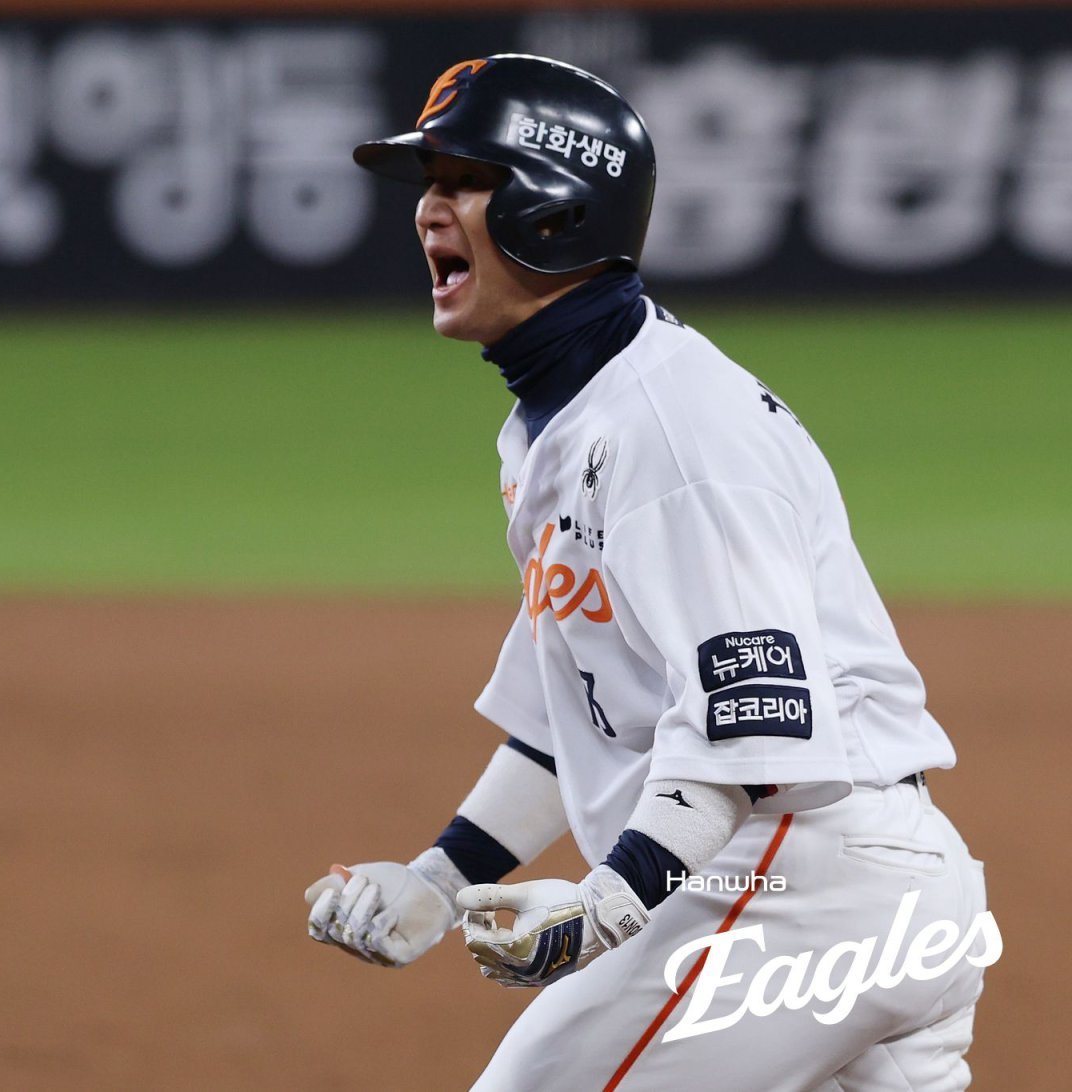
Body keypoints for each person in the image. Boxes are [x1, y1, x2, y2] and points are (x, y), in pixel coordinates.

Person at [305, 55, 993, 1090]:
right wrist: (442, 879)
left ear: (554, 211)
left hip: (797, 877)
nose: (428, 211)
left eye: (464, 181)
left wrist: (606, 909)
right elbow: (573, 721)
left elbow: (754, 730)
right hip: (838, 882)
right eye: (429, 185)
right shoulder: (567, 417)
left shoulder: (669, 434)